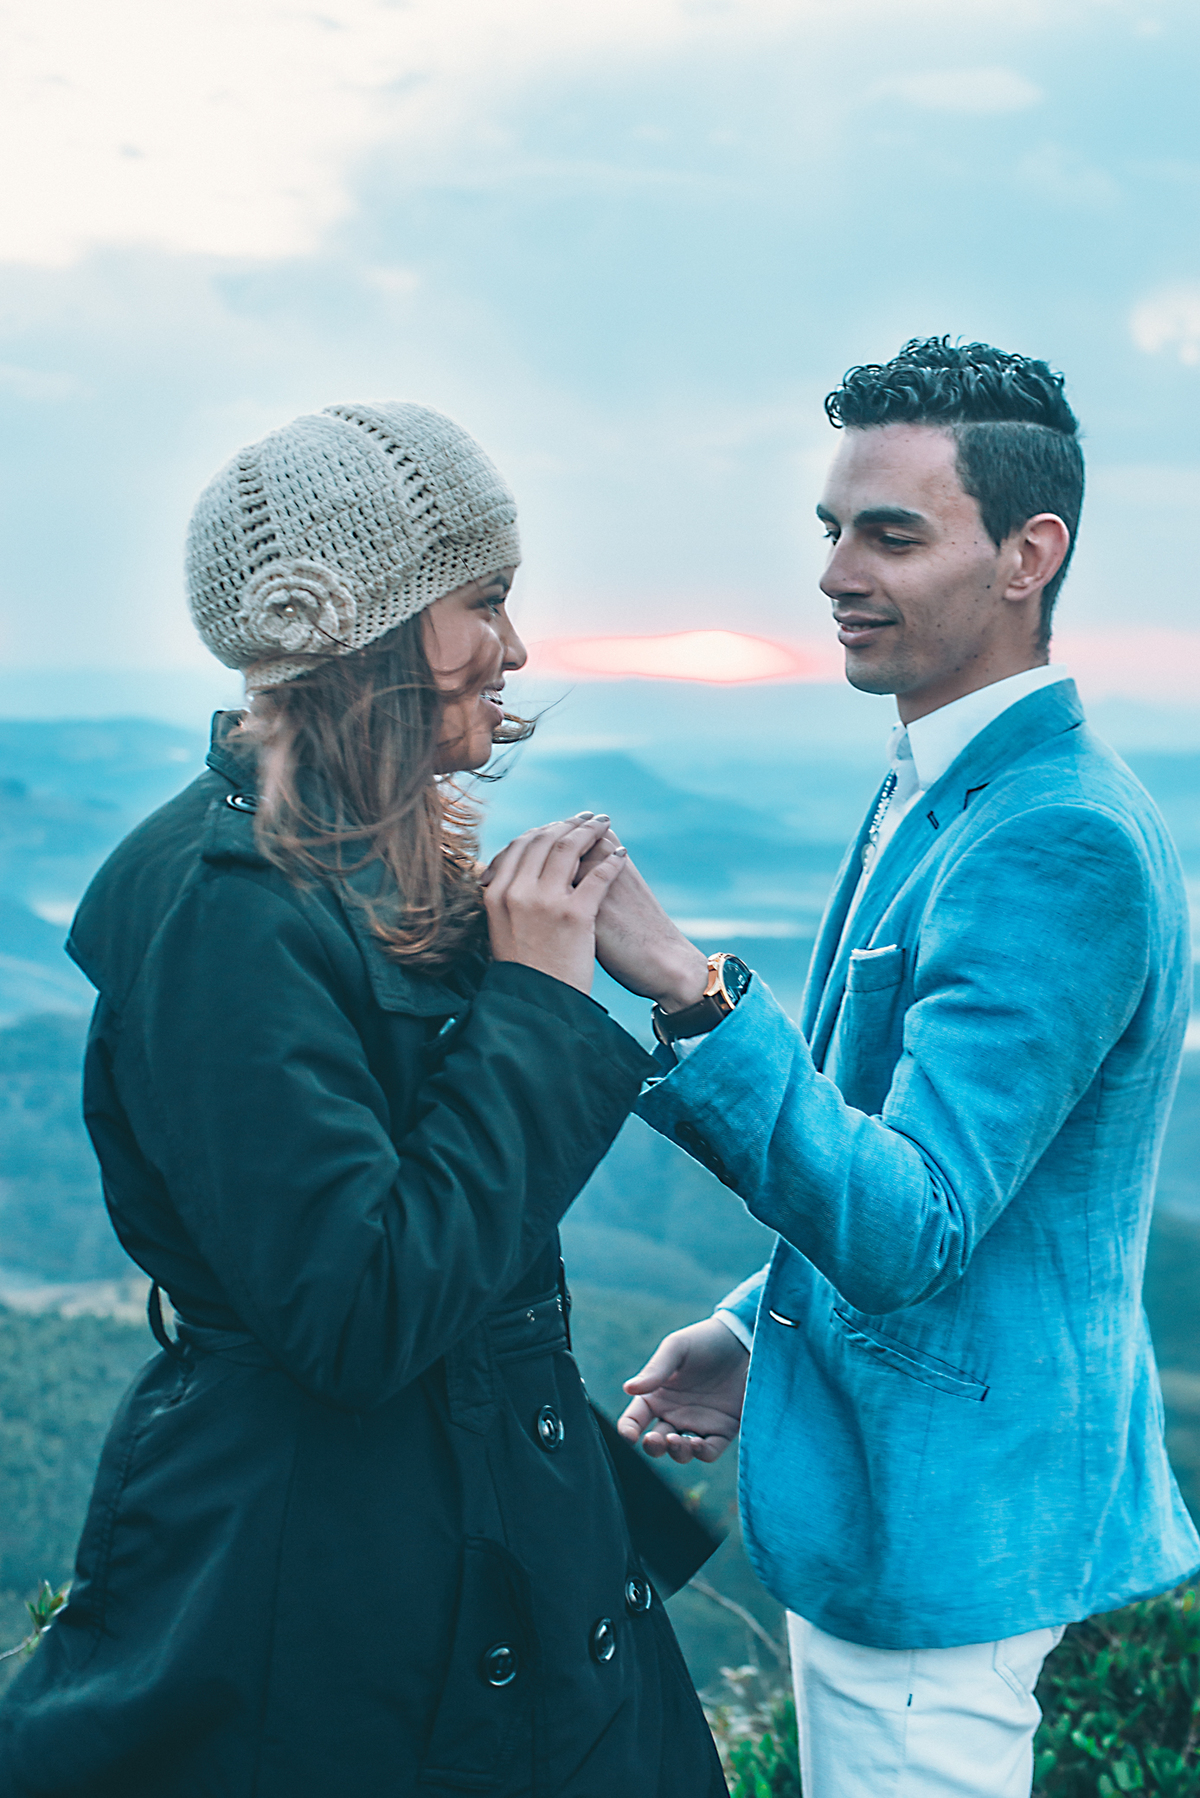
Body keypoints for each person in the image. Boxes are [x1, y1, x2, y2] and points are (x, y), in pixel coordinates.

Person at [0, 402, 727, 1797]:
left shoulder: (368, 867)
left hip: (482, 1570)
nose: (516, 649)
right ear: (373, 627)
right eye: (487, 600)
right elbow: (358, 1310)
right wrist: (537, 1000)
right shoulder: (226, 910)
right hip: (341, 1616)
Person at [597, 339, 1200, 1797]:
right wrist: (752, 1330)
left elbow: (918, 1218)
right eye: (831, 528)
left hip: (954, 1521)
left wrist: (692, 989)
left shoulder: (1056, 837)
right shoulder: (939, 779)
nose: (834, 572)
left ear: (1026, 555)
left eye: (892, 532)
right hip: (893, 1493)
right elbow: (919, 1150)